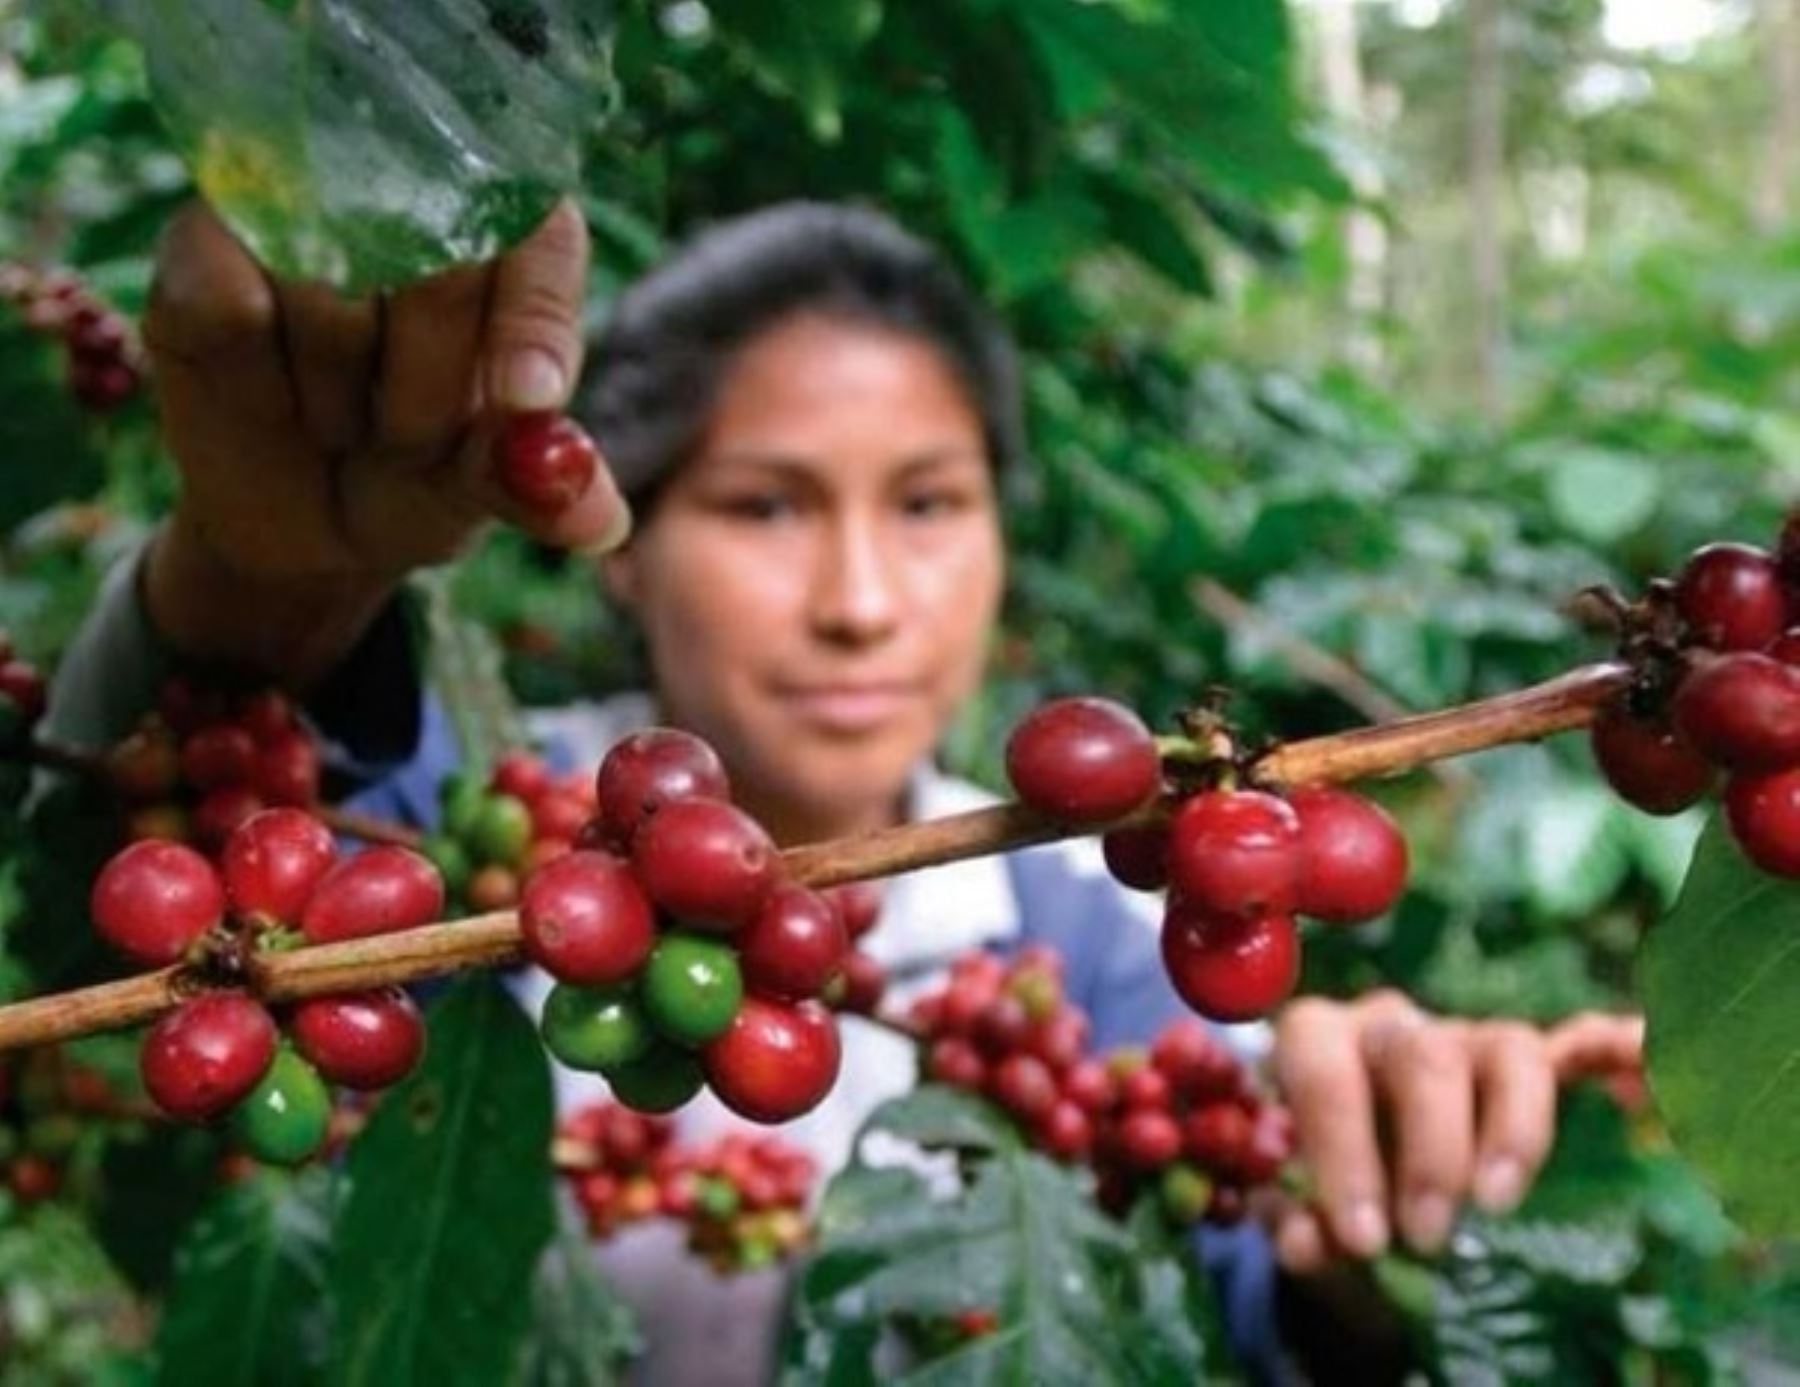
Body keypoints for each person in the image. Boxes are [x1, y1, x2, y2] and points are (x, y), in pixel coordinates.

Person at [48, 198, 1642, 1382]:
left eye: (931, 502)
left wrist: (1378, 1220)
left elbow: (1226, 1275)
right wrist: (264, 573)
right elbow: (175, 836)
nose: (863, 600)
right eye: (764, 505)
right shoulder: (475, 844)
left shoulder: (1086, 944)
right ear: (625, 543)